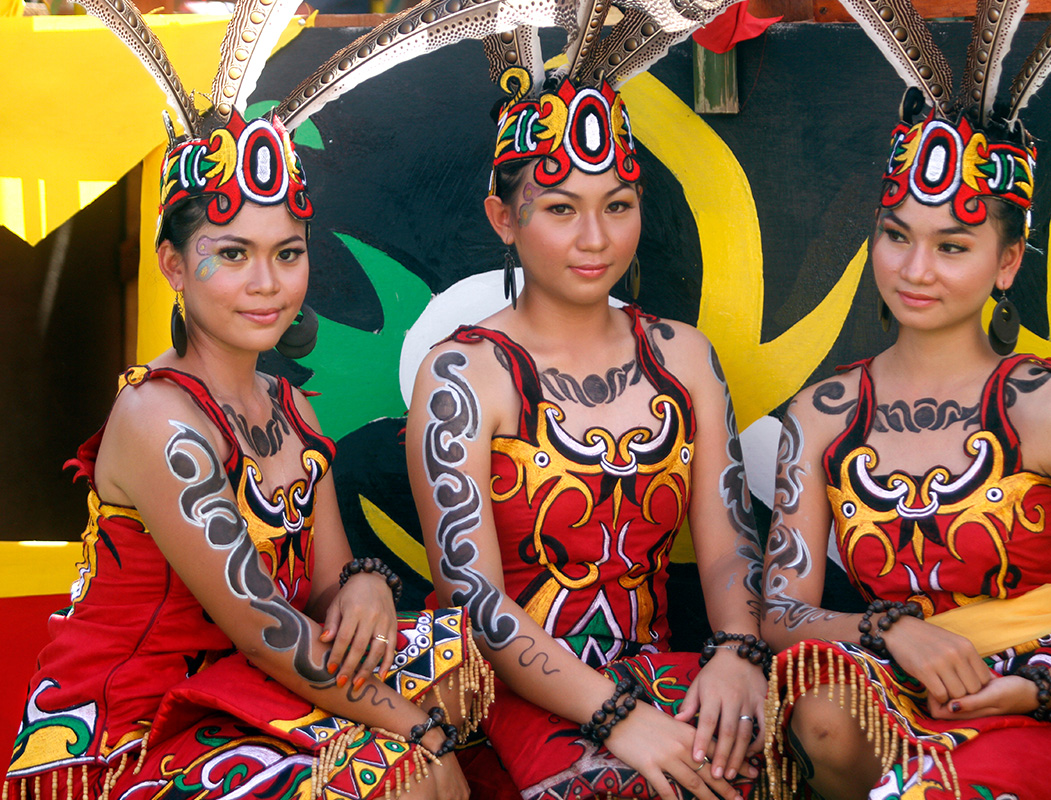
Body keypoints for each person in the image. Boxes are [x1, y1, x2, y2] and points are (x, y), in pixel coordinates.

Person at [2, 4, 499, 799]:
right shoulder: (160, 421)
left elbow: (330, 586)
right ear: (172, 264)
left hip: (241, 692)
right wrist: (413, 729)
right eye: (231, 255)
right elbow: (266, 631)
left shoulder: (289, 406)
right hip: (135, 724)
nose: (266, 284)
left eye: (287, 254)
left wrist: (367, 582)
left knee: (461, 661)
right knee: (412, 766)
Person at [758, 1, 1051, 798]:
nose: (915, 269)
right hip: (909, 693)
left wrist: (1044, 688)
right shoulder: (820, 415)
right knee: (815, 704)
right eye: (897, 235)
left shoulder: (1046, 406)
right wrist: (893, 629)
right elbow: (781, 614)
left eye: (952, 246)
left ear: (1006, 261)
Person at [405, 7, 771, 799]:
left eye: (617, 204)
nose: (596, 238)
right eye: (562, 208)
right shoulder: (463, 376)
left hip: (655, 675)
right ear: (505, 219)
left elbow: (723, 549)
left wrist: (738, 652)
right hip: (503, 690)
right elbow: (475, 600)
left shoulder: (684, 358)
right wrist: (616, 718)